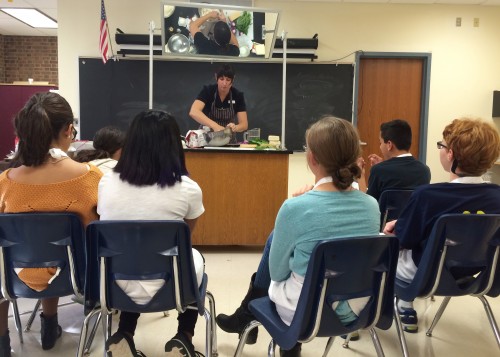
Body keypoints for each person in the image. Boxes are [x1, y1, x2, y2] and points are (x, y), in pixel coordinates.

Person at [216, 116, 380, 356]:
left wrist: (295, 210)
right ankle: (248, 319)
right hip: (358, 308)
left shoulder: (295, 209)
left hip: (305, 311)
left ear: (312, 159)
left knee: (279, 249)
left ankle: (255, 322)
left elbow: (278, 272)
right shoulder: (371, 206)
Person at [97, 110, 205, 357]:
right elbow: (185, 238)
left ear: (130, 143)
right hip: (171, 287)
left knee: (132, 258)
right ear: (173, 145)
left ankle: (124, 333)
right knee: (191, 259)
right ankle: (184, 337)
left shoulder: (106, 183)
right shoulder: (188, 188)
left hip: (114, 285)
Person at [0, 92, 101, 355]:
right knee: (59, 249)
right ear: (69, 130)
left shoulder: (5, 181)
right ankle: (49, 325)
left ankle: (2, 342)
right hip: (77, 277)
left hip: (13, 276)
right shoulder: (91, 178)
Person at [383, 117, 500, 333]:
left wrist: (397, 227)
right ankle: (404, 303)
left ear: (450, 154)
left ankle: (399, 304)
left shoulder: (428, 195)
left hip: (424, 276)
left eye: (442, 145)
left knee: (385, 248)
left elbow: (405, 240)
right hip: (473, 274)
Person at [366, 119, 431, 200]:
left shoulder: (378, 170)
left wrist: (361, 176)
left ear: (389, 145)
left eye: (380, 143)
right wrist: (383, 165)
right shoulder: (424, 171)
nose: (380, 147)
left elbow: (370, 204)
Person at [189, 64, 248, 142]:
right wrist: (215, 126)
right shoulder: (208, 91)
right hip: (206, 139)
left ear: (233, 80)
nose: (224, 83)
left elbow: (244, 125)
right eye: (221, 79)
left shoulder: (237, 95)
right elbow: (193, 112)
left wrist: (235, 127)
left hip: (228, 140)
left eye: (228, 80)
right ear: (216, 77)